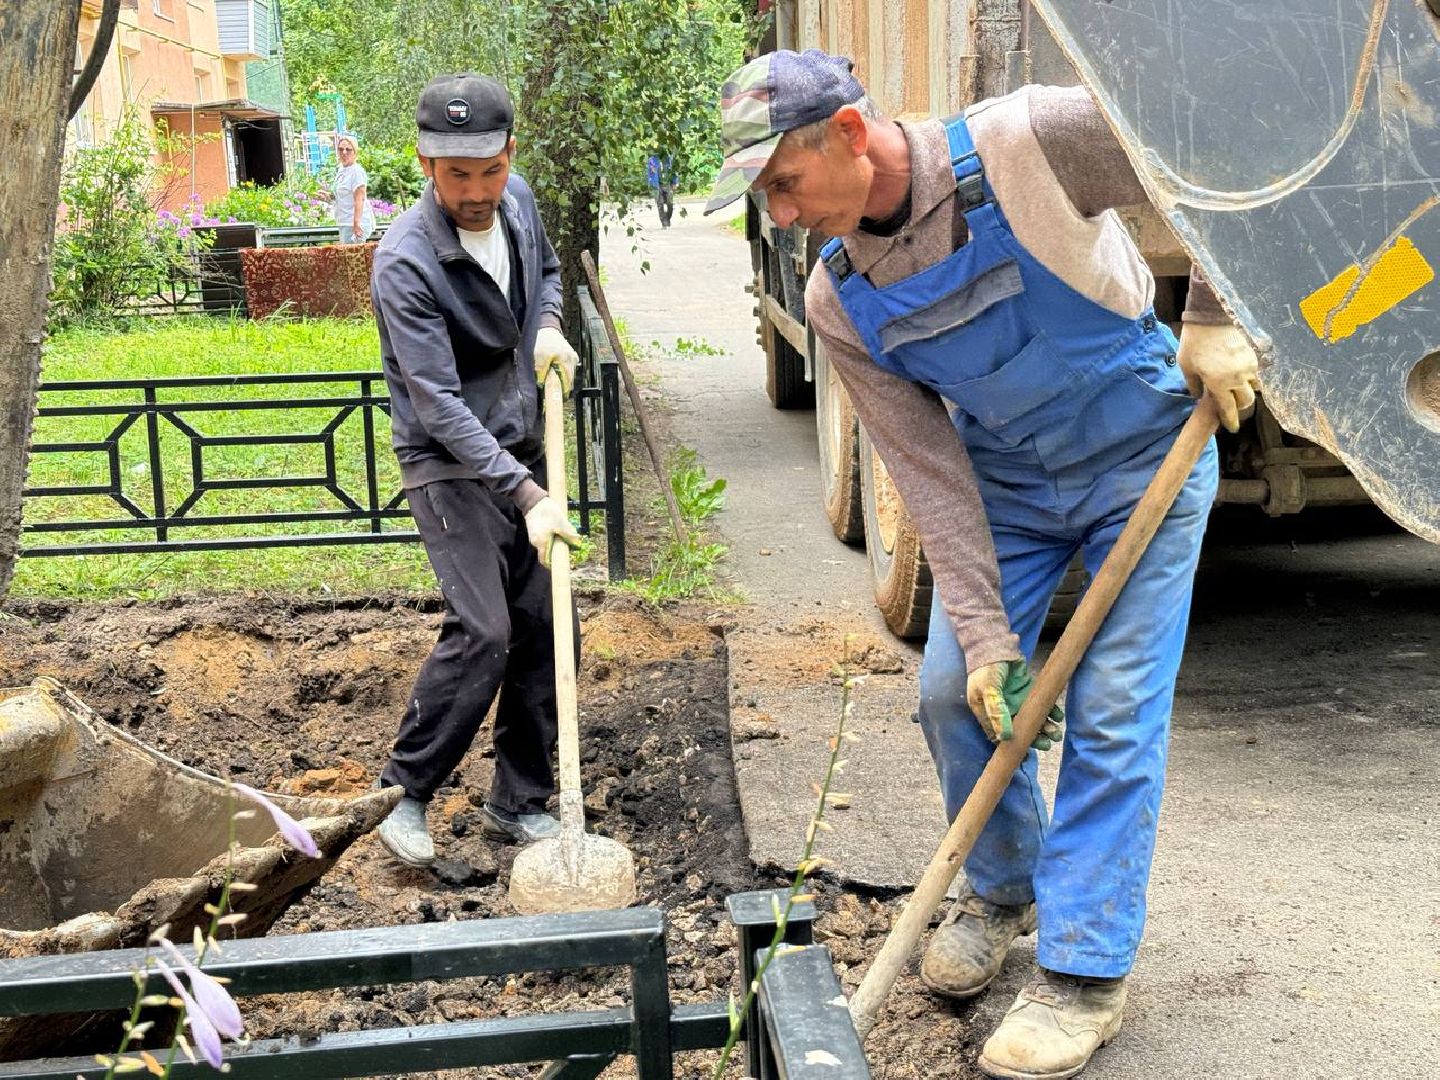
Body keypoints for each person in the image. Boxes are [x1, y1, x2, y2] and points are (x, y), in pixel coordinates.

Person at [705, 50, 1261, 1080]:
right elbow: (930, 478)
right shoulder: (837, 302)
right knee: (951, 691)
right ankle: (1005, 886)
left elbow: (1211, 153)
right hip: (1007, 486)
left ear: (852, 136)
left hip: (1144, 451)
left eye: (784, 182)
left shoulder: (1030, 139)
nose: (779, 215)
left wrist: (1216, 316)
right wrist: (992, 646)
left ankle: (1086, 974)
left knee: (1111, 706)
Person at [369, 73, 582, 868]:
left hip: (517, 440)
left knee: (545, 621)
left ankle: (518, 802)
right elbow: (436, 403)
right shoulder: (406, 262)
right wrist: (527, 495)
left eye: (488, 169)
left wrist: (549, 328)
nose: (476, 190)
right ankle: (403, 795)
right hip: (446, 461)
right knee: (486, 629)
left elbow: (551, 273)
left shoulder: (518, 203)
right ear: (426, 164)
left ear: (508, 155)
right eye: (457, 174)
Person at [331, 133, 377, 243]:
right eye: (341, 149)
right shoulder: (341, 169)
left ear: (355, 152)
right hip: (344, 222)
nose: (344, 153)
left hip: (354, 224)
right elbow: (342, 196)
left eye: (348, 149)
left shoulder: (357, 172)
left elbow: (359, 200)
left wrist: (356, 224)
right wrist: (327, 197)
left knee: (352, 258)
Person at [645, 152, 675, 228]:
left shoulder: (668, 158)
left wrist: (674, 182)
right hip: (657, 184)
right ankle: (664, 222)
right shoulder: (652, 160)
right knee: (660, 203)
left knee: (670, 203)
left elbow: (674, 171)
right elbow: (650, 173)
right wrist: (651, 185)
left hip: (667, 184)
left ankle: (667, 218)